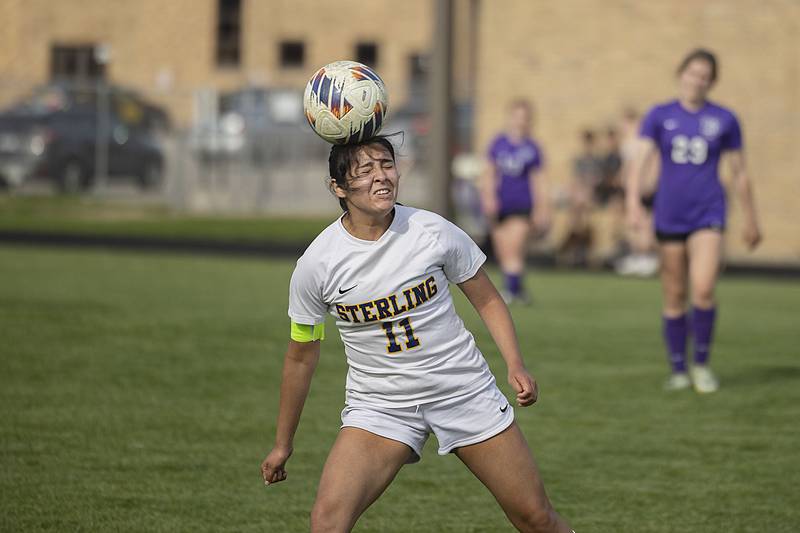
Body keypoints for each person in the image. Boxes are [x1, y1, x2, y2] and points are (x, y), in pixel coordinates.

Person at [260, 136, 574, 533]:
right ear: (337, 188)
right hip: (381, 405)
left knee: (535, 517)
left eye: (387, 165)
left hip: (461, 389)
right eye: (365, 171)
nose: (382, 178)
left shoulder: (431, 230)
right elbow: (301, 357)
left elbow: (489, 300)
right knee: (326, 523)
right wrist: (282, 443)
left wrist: (515, 364)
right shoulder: (317, 264)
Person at [626, 49, 762, 393]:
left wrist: (751, 218)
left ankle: (701, 364)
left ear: (711, 82)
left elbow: (740, 171)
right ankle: (678, 369)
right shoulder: (659, 115)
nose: (697, 80)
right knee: (674, 293)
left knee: (703, 288)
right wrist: (633, 204)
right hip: (670, 213)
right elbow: (639, 162)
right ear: (681, 74)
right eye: (692, 73)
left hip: (709, 213)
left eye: (704, 76)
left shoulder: (725, 119)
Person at [480, 100, 551, 303]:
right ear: (510, 118)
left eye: (524, 118)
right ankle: (516, 289)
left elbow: (539, 180)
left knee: (514, 247)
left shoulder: (532, 148)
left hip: (522, 205)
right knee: (503, 251)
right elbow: (489, 173)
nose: (520, 122)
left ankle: (511, 291)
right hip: (500, 205)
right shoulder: (498, 143)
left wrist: (542, 208)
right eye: (517, 117)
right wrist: (488, 198)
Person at [557, 130, 600, 267]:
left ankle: (581, 250)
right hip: (580, 197)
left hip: (590, 197)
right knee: (577, 210)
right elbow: (574, 181)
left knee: (582, 211)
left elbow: (597, 181)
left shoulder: (596, 161)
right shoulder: (579, 161)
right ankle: (574, 249)